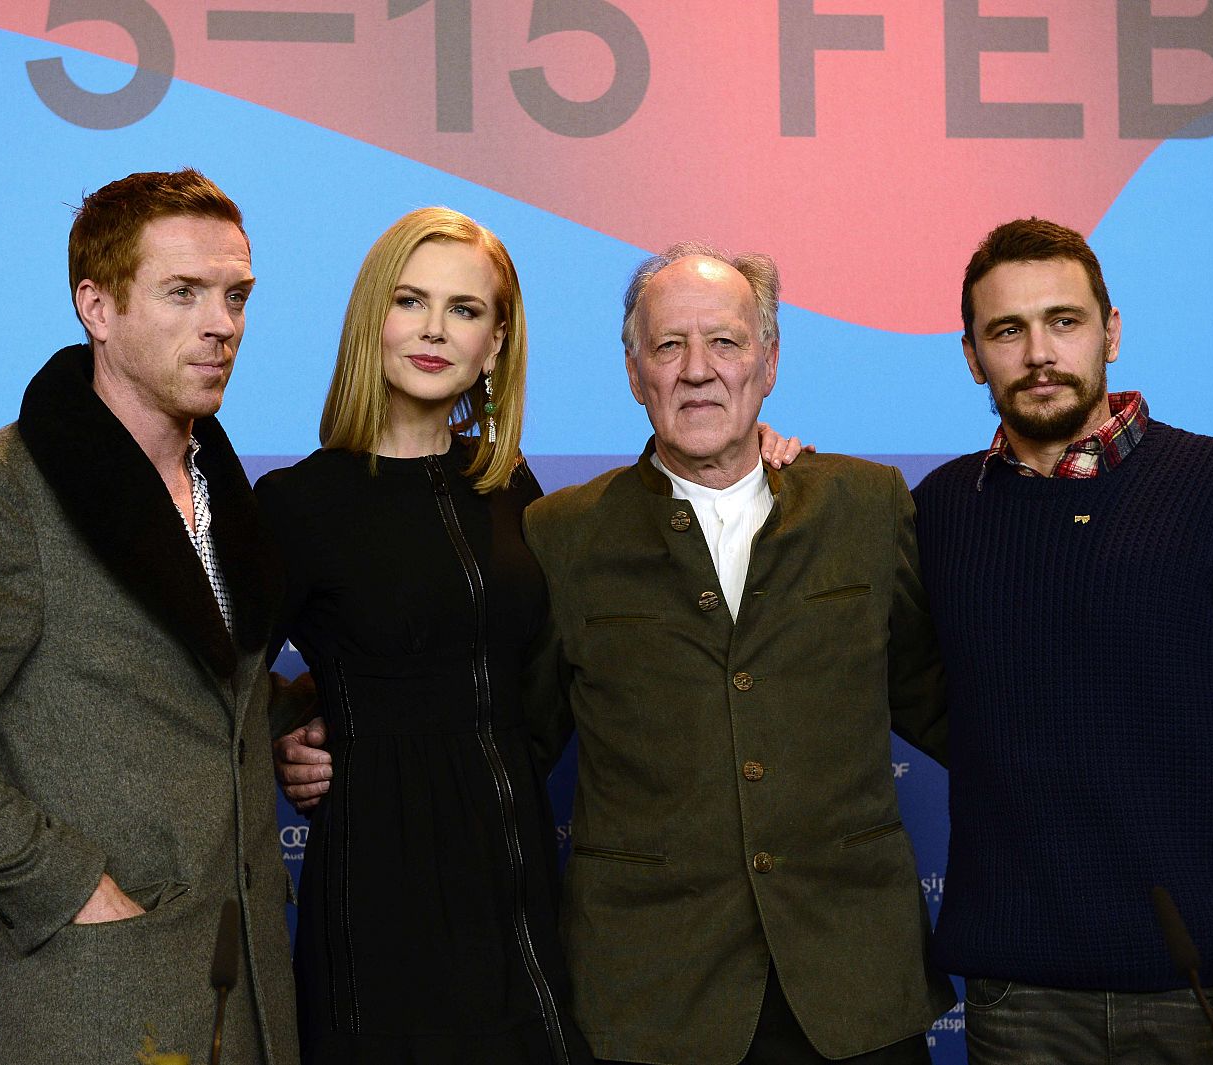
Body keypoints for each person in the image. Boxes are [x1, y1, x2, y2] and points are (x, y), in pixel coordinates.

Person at [285, 242, 951, 1063]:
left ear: (769, 362)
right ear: (635, 372)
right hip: (654, 1000)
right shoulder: (560, 531)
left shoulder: (866, 505)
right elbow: (494, 707)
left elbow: (943, 702)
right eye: (669, 346)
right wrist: (325, 721)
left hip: (857, 990)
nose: (697, 370)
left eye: (727, 342)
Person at [0, 170, 298, 1064]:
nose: (223, 324)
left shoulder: (223, 494)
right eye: (184, 292)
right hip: (91, 1004)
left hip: (248, 1000)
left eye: (237, 294)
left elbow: (170, 696)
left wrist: (296, 715)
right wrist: (69, 884)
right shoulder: (2, 490)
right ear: (98, 305)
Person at [912, 217, 1213, 1065]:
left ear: (1112, 331)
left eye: (1065, 320)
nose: (1039, 352)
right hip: (1019, 998)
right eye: (1006, 330)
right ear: (973, 354)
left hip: (1210, 992)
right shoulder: (942, 511)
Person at [253, 207, 595, 1064]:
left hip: (517, 888)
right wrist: (286, 731)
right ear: (375, 317)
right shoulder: (297, 504)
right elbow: (202, 684)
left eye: (465, 309)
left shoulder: (510, 485)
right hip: (380, 890)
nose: (436, 330)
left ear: (497, 340)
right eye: (411, 301)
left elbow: (530, 664)